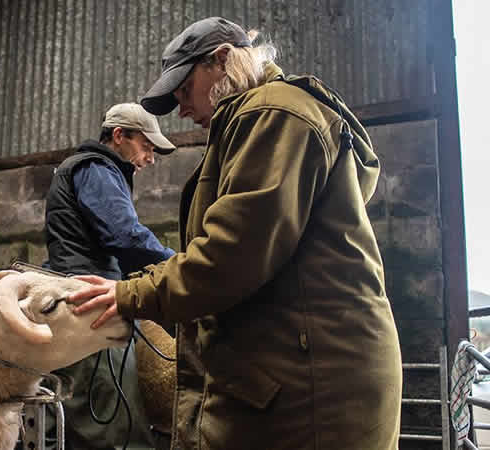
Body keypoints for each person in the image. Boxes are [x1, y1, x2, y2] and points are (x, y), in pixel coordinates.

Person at [66, 16, 403, 450]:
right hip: (295, 367)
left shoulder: (273, 114)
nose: (183, 109)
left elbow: (231, 256)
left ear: (222, 60)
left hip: (314, 382)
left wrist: (129, 295)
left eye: (184, 90)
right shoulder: (254, 121)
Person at [43, 103, 177, 449]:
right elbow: (126, 237)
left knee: (91, 414)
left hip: (87, 293)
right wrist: (181, 267)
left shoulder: (93, 170)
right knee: (112, 421)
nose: (150, 158)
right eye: (146, 147)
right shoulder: (96, 169)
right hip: (90, 306)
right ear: (119, 136)